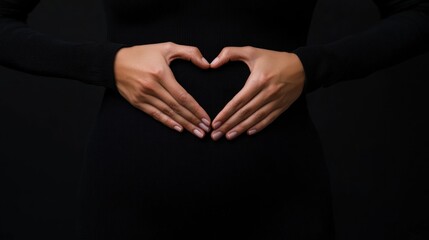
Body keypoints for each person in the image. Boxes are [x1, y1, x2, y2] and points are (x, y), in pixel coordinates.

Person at [0, 0, 428, 239]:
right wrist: (106, 63)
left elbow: (418, 14)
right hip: (131, 203)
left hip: (278, 199)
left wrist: (310, 67)